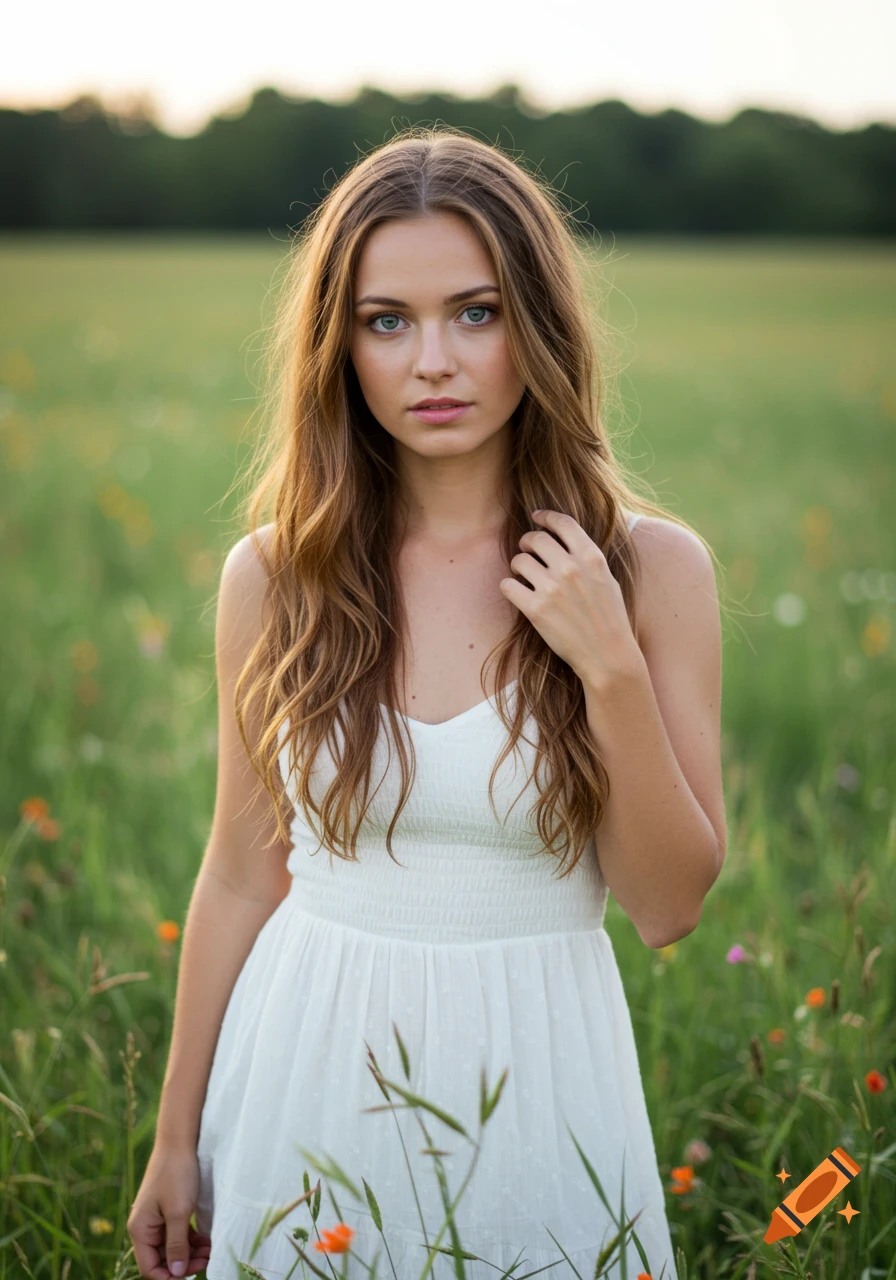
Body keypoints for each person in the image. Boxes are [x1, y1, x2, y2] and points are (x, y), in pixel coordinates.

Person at [128, 126, 727, 1280]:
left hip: (540, 1084)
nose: (432, 360)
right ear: (339, 344)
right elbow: (242, 873)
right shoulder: (276, 575)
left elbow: (666, 906)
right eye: (384, 320)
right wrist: (174, 1141)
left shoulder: (651, 572)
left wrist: (607, 666)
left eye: (476, 311)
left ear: (536, 325)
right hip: (304, 1067)